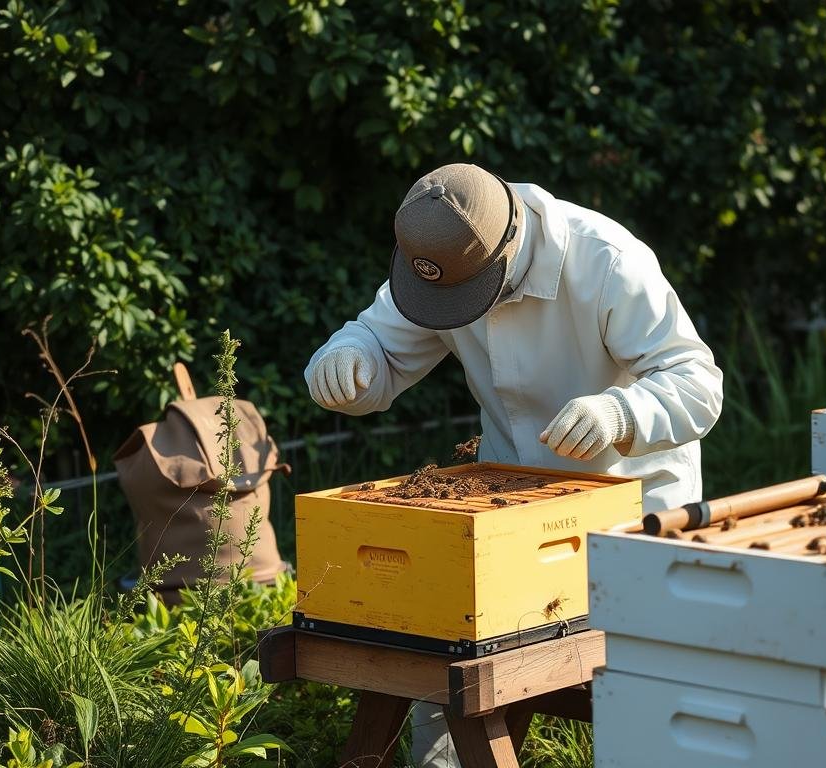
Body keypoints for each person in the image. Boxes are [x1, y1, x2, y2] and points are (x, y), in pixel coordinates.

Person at [304, 163, 724, 767]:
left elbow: (697, 382)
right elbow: (382, 340)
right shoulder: (449, 252)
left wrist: (622, 414)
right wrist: (347, 357)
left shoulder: (606, 259)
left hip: (629, 500)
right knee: (449, 645)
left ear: (510, 245)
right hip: (507, 507)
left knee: (642, 698)